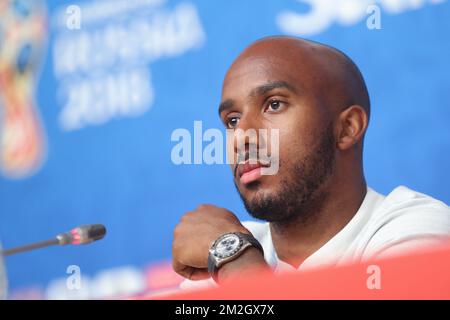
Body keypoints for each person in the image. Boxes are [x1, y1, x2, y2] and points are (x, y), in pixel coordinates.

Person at [172, 36, 450, 288]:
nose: (241, 137)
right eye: (232, 121)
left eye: (274, 104)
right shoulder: (218, 270)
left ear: (348, 128)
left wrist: (232, 256)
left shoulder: (418, 230)